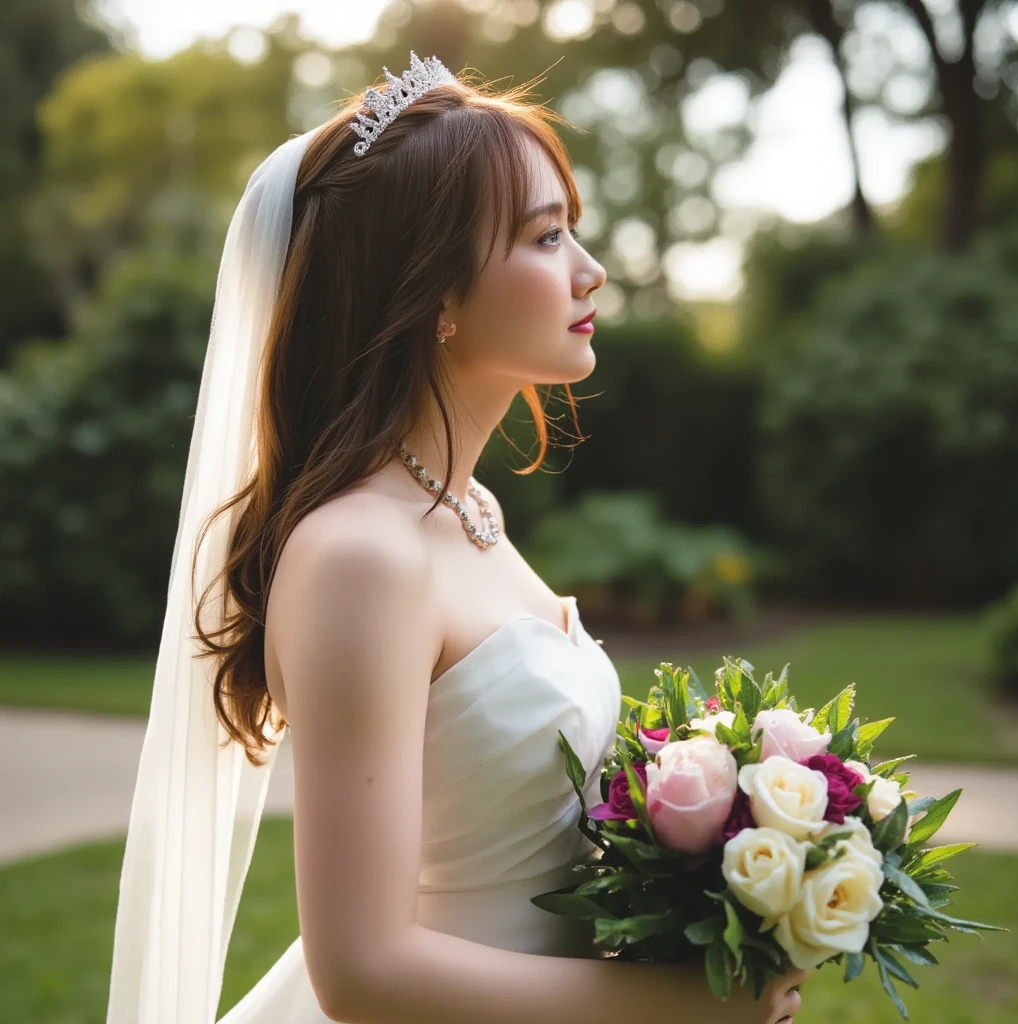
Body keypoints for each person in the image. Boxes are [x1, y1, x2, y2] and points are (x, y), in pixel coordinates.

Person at [105, 52, 807, 1024]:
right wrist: (683, 1005)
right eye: (546, 235)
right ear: (433, 291)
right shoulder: (362, 551)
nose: (589, 269)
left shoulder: (469, 513)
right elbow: (361, 971)